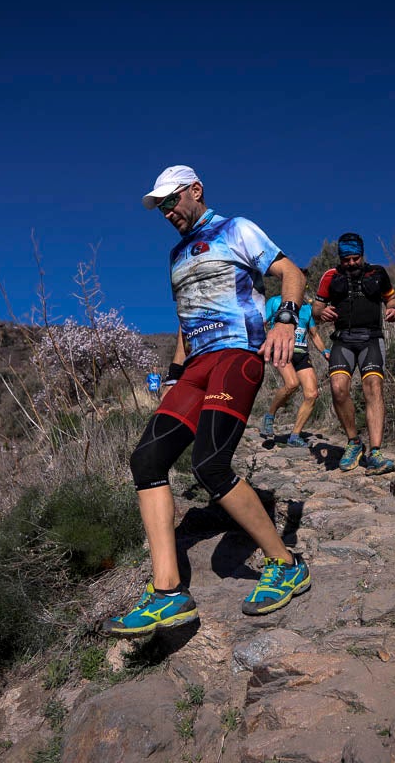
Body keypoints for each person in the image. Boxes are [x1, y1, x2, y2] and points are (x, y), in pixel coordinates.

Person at [101, 165, 311, 637]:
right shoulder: (176, 255)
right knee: (147, 460)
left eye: (173, 200)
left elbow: (290, 272)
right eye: (161, 207)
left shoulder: (236, 228)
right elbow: (186, 320)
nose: (169, 212)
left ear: (196, 190)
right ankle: (168, 593)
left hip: (237, 356)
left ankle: (286, 562)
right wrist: (174, 377)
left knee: (209, 465)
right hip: (194, 368)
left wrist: (286, 320)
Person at [313, 232, 395, 475]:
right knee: (338, 388)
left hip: (371, 338)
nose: (351, 263)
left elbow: (392, 300)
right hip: (343, 339)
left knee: (373, 387)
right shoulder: (330, 276)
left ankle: (375, 453)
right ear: (340, 258)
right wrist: (322, 313)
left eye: (355, 258)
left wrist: (393, 310)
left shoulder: (378, 273)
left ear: (362, 255)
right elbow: (316, 308)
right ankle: (354, 442)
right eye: (346, 259)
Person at [259, 290, 328, 446]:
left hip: (301, 353)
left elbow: (314, 334)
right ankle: (269, 416)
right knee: (292, 384)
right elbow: (261, 323)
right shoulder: (275, 301)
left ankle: (294, 436)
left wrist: (325, 351)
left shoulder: (307, 308)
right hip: (281, 350)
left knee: (312, 394)